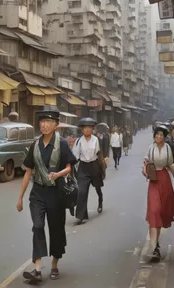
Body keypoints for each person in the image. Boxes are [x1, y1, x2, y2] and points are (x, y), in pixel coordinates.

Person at [16, 107, 77, 283]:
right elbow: (28, 172)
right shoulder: (35, 145)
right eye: (42, 122)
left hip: (55, 193)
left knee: (56, 230)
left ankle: (55, 264)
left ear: (55, 125)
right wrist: (20, 197)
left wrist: (58, 174)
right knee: (37, 226)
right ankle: (37, 270)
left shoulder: (62, 143)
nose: (44, 125)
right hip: (38, 193)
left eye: (48, 122)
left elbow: (69, 167)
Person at [143, 125, 174, 262]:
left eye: (161, 135)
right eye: (157, 135)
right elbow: (145, 162)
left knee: (162, 211)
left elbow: (170, 164)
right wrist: (145, 170)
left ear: (164, 137)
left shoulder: (167, 148)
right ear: (154, 136)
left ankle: (156, 245)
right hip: (153, 180)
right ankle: (153, 247)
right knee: (154, 210)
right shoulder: (150, 148)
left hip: (164, 179)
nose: (159, 137)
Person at [72, 117, 106, 225]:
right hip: (83, 167)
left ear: (92, 129)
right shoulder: (78, 141)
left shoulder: (96, 140)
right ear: (82, 130)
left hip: (94, 166)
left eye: (89, 128)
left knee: (97, 187)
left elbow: (99, 154)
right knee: (82, 191)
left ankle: (100, 200)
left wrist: (103, 167)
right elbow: (75, 156)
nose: (87, 130)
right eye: (85, 128)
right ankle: (81, 216)